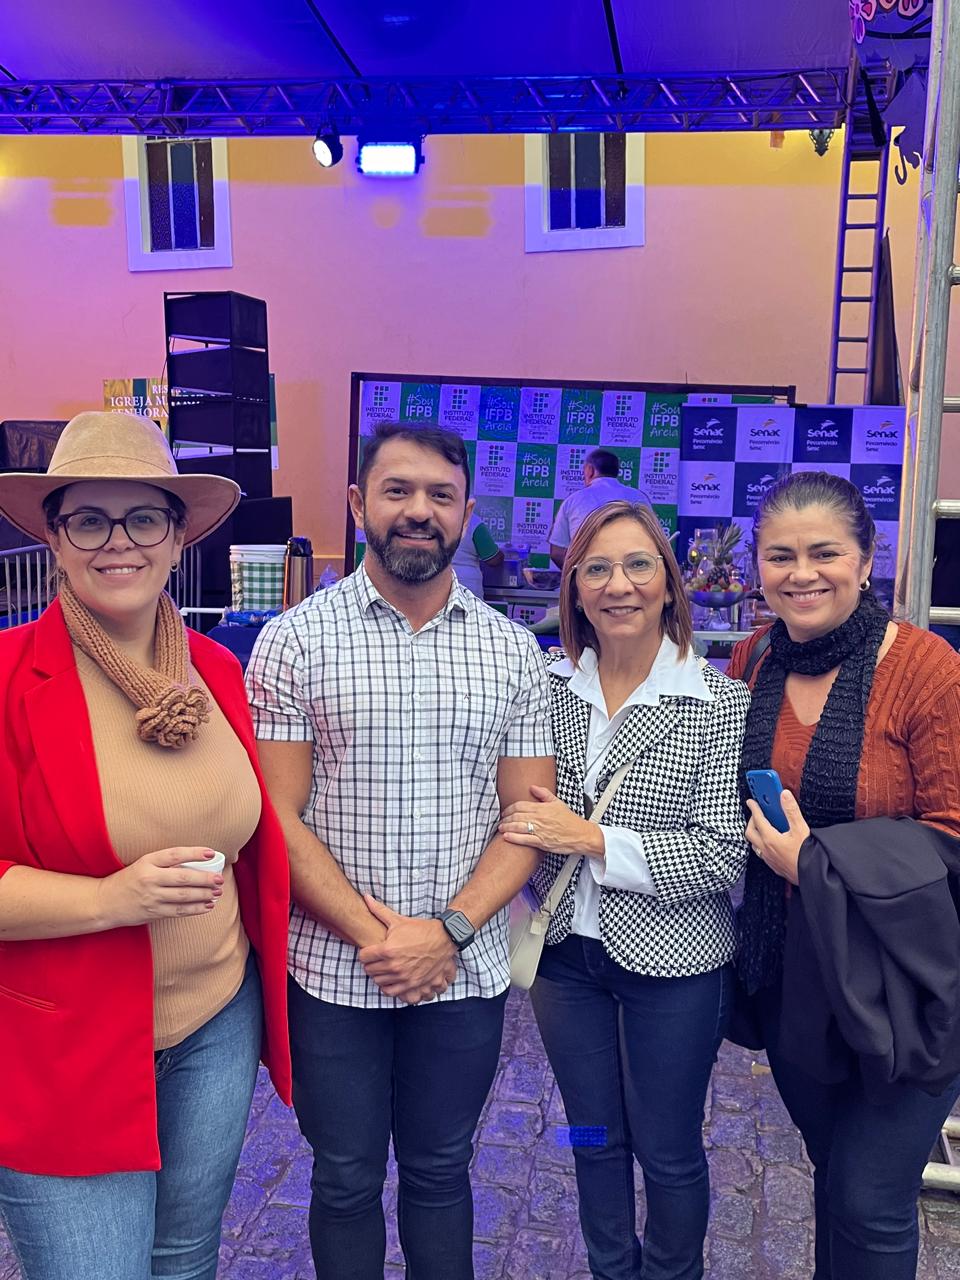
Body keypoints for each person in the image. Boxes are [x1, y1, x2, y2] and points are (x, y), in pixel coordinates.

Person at [245, 421, 554, 1280]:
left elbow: (527, 819)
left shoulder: (512, 652)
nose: (420, 510)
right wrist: (379, 938)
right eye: (398, 491)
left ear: (466, 513)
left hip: (463, 968)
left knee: (441, 1170)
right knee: (344, 1177)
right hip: (333, 973)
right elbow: (275, 815)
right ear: (358, 505)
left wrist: (444, 933)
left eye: (441, 495)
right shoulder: (295, 641)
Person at [0, 411, 292, 1280]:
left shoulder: (217, 670)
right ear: (54, 538)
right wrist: (107, 900)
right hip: (65, 1047)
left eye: (143, 519)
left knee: (185, 1259)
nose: (118, 542)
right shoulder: (9, 680)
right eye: (89, 519)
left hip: (216, 1021)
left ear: (177, 538)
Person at [500, 499, 750, 1280]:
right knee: (589, 1136)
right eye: (597, 569)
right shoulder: (543, 690)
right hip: (565, 962)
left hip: (675, 968)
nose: (619, 585)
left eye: (639, 565)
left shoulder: (717, 703)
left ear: (669, 583)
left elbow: (720, 856)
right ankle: (612, 1269)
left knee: (668, 1149)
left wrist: (592, 839)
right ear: (574, 589)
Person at [729, 469, 960, 1280]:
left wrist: (815, 863)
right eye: (781, 556)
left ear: (866, 561)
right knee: (834, 1177)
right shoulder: (753, 659)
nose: (802, 574)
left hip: (910, 987)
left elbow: (954, 833)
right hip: (796, 982)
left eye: (824, 553)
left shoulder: (925, 669)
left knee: (870, 1199)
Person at [549, 448, 652, 568]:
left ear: (590, 470)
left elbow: (557, 553)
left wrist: (578, 574)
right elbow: (653, 544)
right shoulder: (639, 497)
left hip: (588, 574)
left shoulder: (573, 500)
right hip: (631, 574)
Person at [451, 511, 504, 598]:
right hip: (468, 585)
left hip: (438, 585)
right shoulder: (473, 522)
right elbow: (493, 559)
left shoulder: (436, 519)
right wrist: (501, 555)